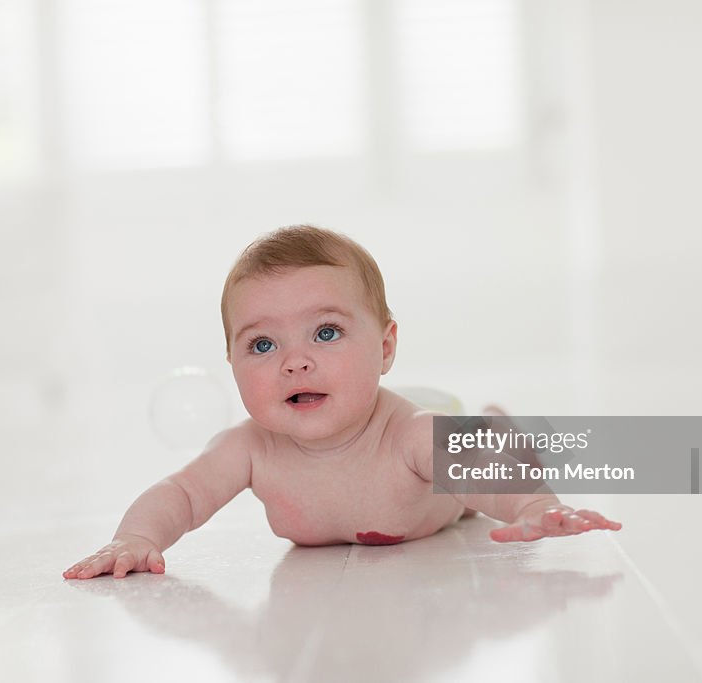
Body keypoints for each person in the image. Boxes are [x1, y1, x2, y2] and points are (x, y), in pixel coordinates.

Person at [63, 225, 621, 580]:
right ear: (231, 365)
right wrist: (136, 538)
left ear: (384, 348)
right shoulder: (249, 448)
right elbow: (180, 494)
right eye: (263, 344)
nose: (295, 361)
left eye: (325, 333)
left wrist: (533, 507)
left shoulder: (410, 435)